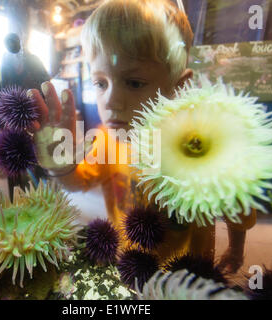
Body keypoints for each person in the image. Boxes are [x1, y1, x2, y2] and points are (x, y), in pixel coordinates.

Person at [28, 0, 256, 273]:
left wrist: (235, 249)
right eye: (100, 83)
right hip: (129, 265)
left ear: (178, 87)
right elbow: (80, 181)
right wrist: (60, 165)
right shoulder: (107, 140)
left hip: (188, 273)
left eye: (134, 83)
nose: (111, 101)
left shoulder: (207, 150)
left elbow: (237, 207)